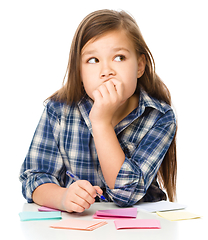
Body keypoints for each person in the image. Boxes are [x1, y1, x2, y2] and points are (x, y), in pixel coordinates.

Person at [19, 9, 177, 213]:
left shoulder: (159, 117)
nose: (106, 71)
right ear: (80, 72)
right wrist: (63, 197)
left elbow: (125, 194)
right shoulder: (58, 110)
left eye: (119, 57)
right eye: (93, 60)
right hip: (76, 226)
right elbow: (34, 177)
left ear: (139, 66)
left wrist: (101, 122)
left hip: (138, 225)